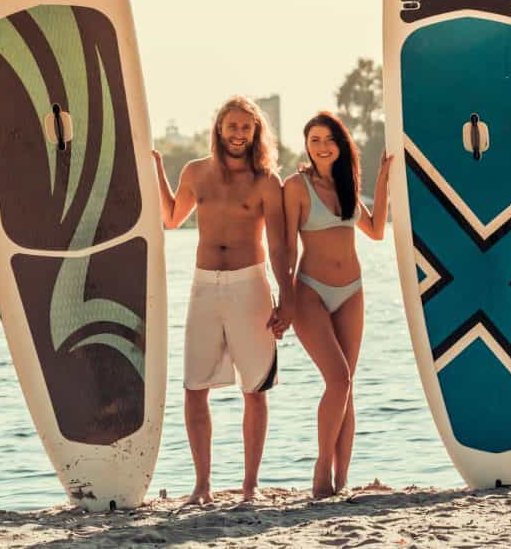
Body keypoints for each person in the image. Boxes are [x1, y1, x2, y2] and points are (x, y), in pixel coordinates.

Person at [152, 96, 294, 503]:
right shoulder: (196, 172)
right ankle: (202, 486)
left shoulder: (267, 181)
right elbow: (172, 218)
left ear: (255, 133)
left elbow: (281, 245)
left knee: (255, 388)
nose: (238, 134)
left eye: (246, 128)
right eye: (232, 126)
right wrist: (158, 170)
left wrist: (287, 299)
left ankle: (250, 485)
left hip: (250, 285)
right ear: (218, 129)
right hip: (204, 286)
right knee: (195, 386)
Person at [283, 111, 391, 498]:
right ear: (307, 145)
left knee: (348, 386)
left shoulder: (347, 186)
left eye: (329, 139)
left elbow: (376, 230)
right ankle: (321, 469)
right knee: (338, 380)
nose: (322, 146)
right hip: (310, 291)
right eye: (314, 140)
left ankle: (341, 479)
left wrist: (382, 180)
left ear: (340, 144)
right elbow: (284, 246)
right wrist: (284, 299)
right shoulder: (296, 186)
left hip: (352, 292)